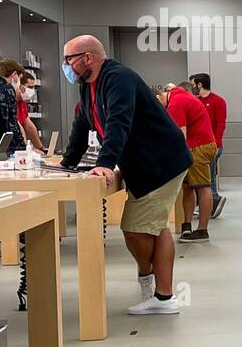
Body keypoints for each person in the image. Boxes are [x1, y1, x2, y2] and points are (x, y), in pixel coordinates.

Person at [60, 37, 192, 314]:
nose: (67, 66)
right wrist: (67, 164)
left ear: (88, 58)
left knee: (135, 228)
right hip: (147, 163)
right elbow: (82, 124)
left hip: (161, 161)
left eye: (69, 59)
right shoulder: (88, 87)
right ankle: (162, 295)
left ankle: (155, 288)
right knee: (154, 226)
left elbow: (120, 120)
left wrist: (106, 162)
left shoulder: (118, 78)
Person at [157, 82, 218, 242]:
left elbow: (179, 137)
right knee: (188, 187)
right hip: (197, 146)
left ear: (159, 98)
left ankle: (202, 230)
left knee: (202, 186)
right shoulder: (180, 96)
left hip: (199, 147)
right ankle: (187, 226)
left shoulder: (175, 104)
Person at [190, 72, 227, 218]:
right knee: (204, 176)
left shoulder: (218, 101)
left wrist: (217, 144)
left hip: (211, 145)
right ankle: (208, 203)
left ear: (200, 84)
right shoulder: (195, 101)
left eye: (193, 85)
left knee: (208, 176)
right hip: (197, 145)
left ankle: (214, 200)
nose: (192, 88)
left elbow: (220, 124)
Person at [0, 57, 26, 149]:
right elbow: (11, 125)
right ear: (15, 75)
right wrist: (22, 149)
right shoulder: (6, 89)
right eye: (20, 79)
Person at [16, 69, 44, 151]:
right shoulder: (9, 101)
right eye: (30, 87)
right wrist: (24, 151)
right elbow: (18, 128)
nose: (32, 91)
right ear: (19, 85)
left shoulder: (21, 102)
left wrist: (41, 148)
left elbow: (29, 126)